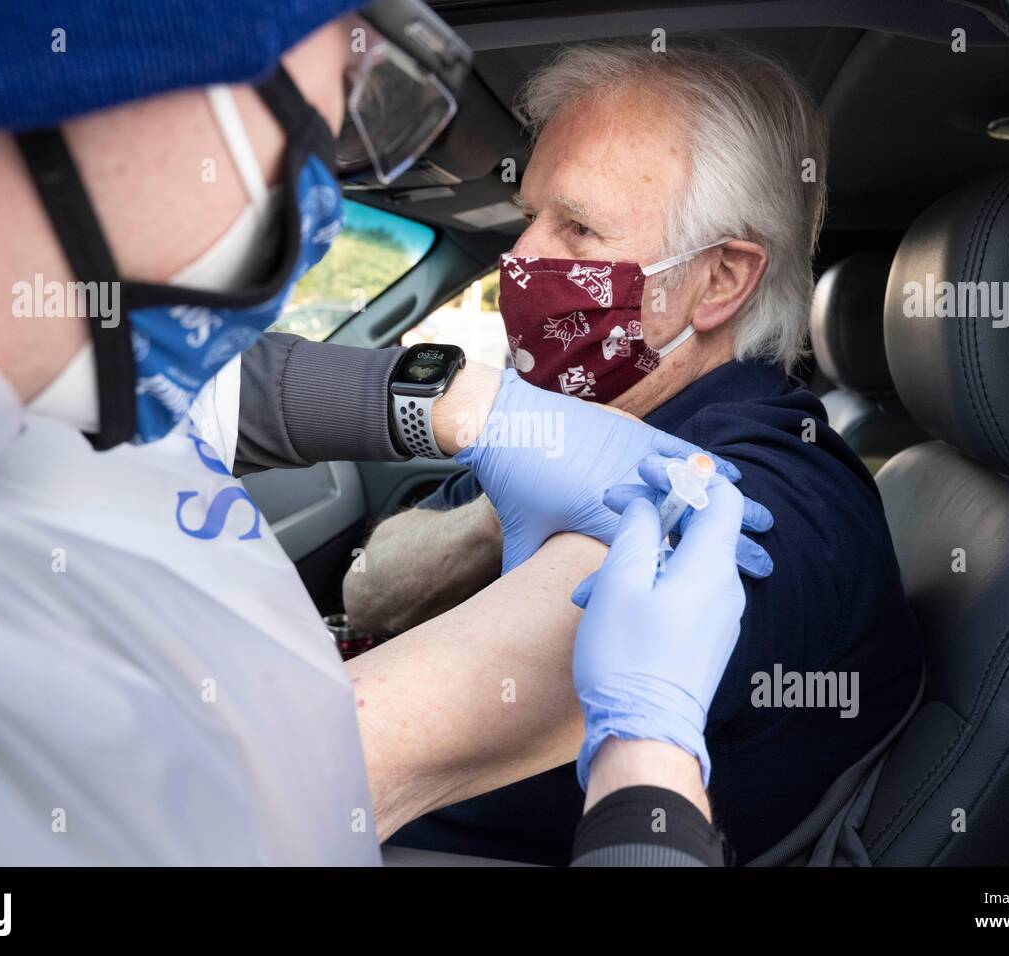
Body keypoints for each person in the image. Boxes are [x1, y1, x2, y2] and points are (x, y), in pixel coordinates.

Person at [0, 0, 762, 865]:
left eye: (579, 227)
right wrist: (647, 768)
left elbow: (240, 391)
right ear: (127, 91)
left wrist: (474, 406)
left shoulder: (26, 374)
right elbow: (235, 807)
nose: (322, 224)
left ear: (718, 281)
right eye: (301, 146)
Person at [335, 43, 926, 865]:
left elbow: (327, 762)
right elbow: (367, 592)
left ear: (719, 279)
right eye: (529, 218)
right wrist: (491, 520)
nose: (518, 258)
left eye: (576, 226)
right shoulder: (569, 417)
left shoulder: (783, 488)